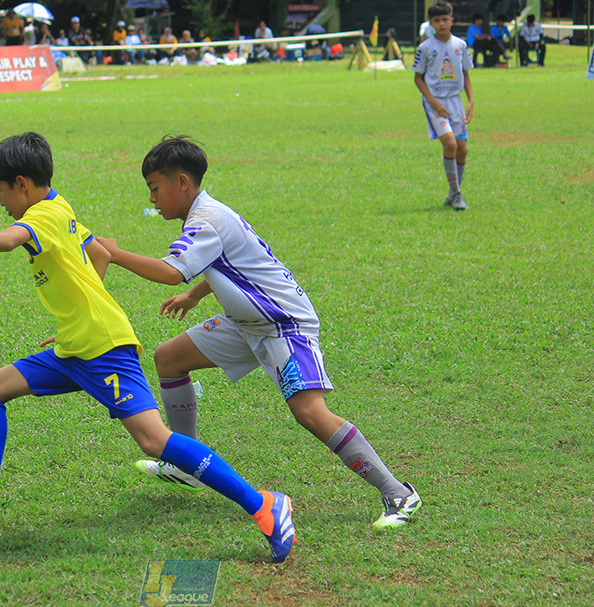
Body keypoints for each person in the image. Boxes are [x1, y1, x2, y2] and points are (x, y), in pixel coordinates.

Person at [0, 131, 299, 564]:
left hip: (102, 348)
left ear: (21, 184)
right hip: (75, 346)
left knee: (155, 441)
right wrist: (82, 308)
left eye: (1, 192)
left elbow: (8, 240)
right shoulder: (60, 205)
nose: (2, 203)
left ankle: (263, 505)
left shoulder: (42, 215)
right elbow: (97, 252)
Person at [94, 136, 421, 529]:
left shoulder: (208, 220)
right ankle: (184, 463)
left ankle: (399, 493)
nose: (152, 200)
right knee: (169, 357)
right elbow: (233, 265)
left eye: (154, 188)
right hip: (245, 323)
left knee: (309, 413)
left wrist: (112, 253)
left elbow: (170, 271)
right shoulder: (207, 215)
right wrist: (196, 295)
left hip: (283, 325)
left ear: (182, 182)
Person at [414, 0, 474, 210]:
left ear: (452, 21)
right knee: (450, 144)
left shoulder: (461, 45)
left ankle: (452, 193)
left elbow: (466, 73)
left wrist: (471, 101)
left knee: (463, 149)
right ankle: (457, 194)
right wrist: (431, 100)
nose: (441, 24)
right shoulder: (425, 48)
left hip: (456, 101)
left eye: (444, 20)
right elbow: (418, 78)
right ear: (430, 23)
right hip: (435, 102)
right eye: (437, 20)